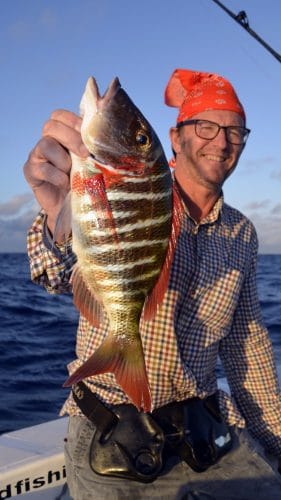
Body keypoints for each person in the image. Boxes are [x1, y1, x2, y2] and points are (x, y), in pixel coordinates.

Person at [24, 68, 281, 500]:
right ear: (175, 138)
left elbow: (246, 345)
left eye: (236, 132)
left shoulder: (243, 234)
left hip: (203, 432)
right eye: (206, 126)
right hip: (110, 432)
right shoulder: (126, 186)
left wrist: (276, 440)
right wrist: (58, 218)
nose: (221, 141)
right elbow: (55, 271)